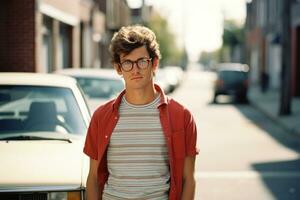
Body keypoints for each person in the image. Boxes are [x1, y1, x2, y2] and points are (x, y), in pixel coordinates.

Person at [83, 25, 198, 200]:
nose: (135, 70)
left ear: (154, 63)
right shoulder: (101, 116)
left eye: (142, 61)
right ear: (119, 68)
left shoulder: (181, 116)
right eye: (127, 63)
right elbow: (92, 178)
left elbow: (188, 179)